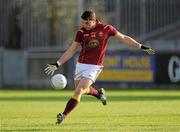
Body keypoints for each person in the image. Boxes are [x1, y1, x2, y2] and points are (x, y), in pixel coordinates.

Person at [44, 10, 155, 124]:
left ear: (93, 20)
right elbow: (71, 50)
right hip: (81, 65)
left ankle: (63, 115)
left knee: (79, 91)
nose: (84, 25)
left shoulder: (106, 28)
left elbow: (123, 38)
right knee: (82, 90)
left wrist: (140, 46)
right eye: (83, 23)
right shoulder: (81, 32)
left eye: (87, 23)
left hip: (94, 67)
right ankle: (98, 94)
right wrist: (57, 63)